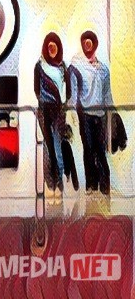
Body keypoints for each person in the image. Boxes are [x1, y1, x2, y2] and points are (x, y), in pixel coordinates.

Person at [68, 30, 113, 195]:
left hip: (100, 115)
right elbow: (73, 93)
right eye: (84, 43)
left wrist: (111, 113)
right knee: (88, 149)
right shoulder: (76, 66)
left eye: (90, 42)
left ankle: (105, 186)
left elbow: (107, 94)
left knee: (101, 150)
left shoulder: (103, 69)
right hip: (85, 114)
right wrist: (72, 113)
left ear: (95, 44)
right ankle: (91, 185)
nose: (87, 46)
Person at [34, 33, 70, 198]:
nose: (52, 50)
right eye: (49, 47)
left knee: (57, 148)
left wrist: (62, 105)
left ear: (58, 47)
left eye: (54, 46)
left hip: (59, 112)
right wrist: (46, 100)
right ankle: (50, 185)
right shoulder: (39, 66)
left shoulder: (63, 67)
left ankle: (59, 183)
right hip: (44, 111)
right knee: (48, 150)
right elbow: (36, 89)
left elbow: (68, 91)